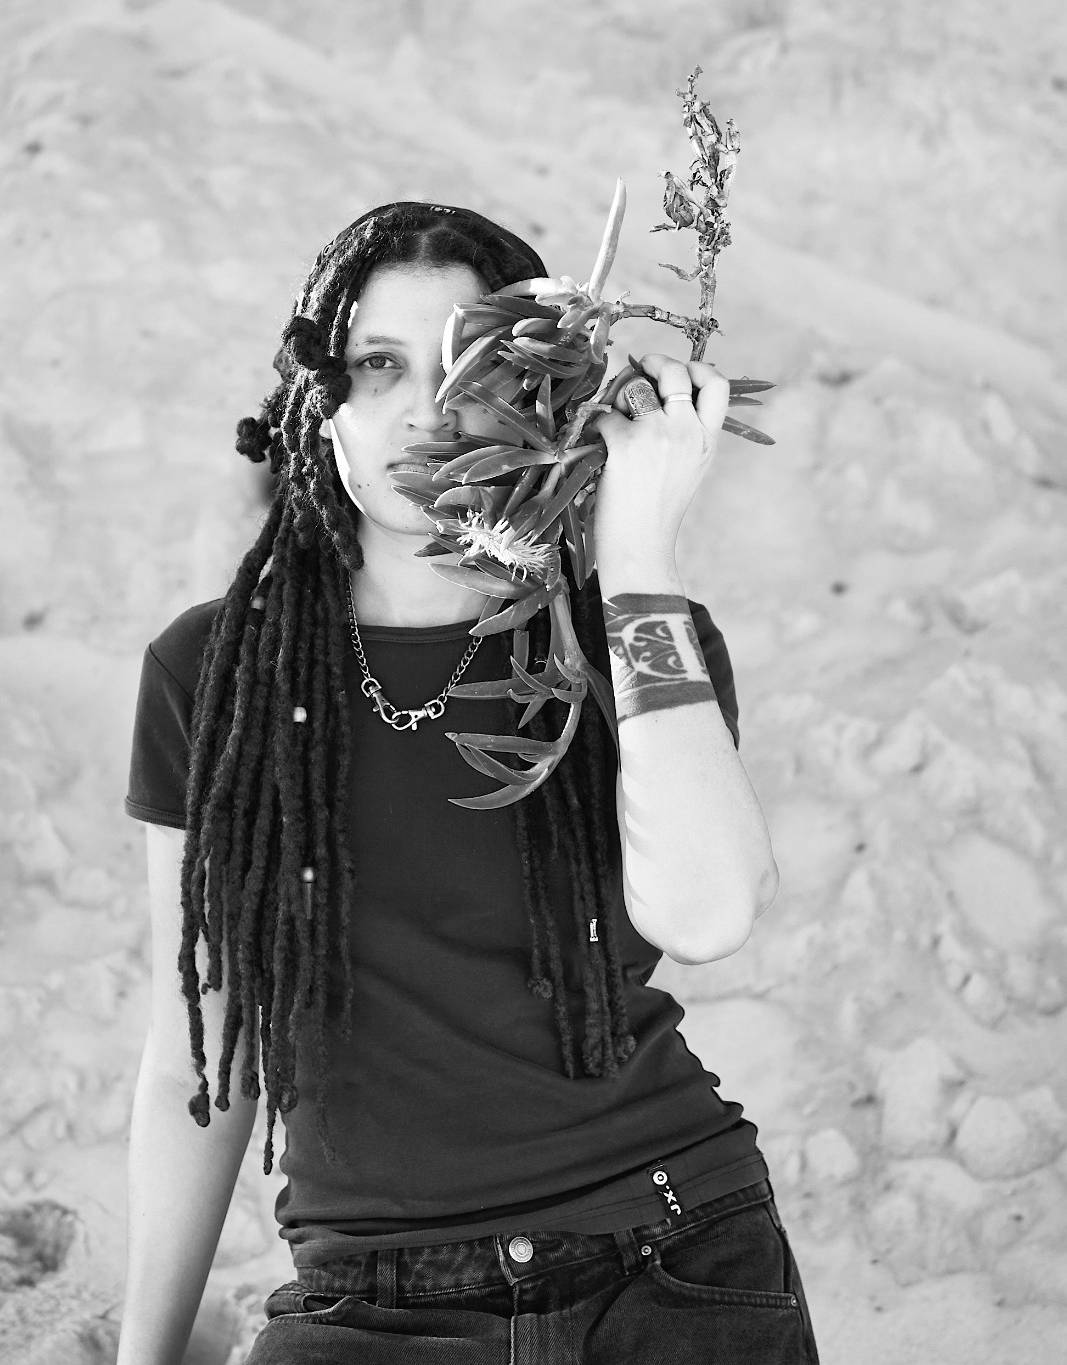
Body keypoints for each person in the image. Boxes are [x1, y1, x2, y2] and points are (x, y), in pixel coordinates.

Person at [118, 201, 819, 1364]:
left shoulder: (631, 637)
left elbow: (705, 916)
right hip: (368, 1300)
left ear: (533, 396)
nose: (422, 408)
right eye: (377, 365)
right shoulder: (213, 675)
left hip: (670, 1254)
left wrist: (635, 558)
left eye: (467, 366)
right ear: (316, 403)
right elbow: (200, 1052)